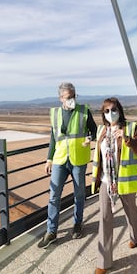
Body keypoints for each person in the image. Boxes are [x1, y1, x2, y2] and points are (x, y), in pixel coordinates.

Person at [38, 82, 97, 249]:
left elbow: (94, 130)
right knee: (54, 195)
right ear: (60, 98)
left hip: (78, 159)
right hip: (60, 159)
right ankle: (51, 232)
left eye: (73, 96)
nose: (71, 99)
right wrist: (49, 158)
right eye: (68, 97)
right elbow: (53, 137)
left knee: (79, 194)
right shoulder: (55, 113)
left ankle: (77, 224)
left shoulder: (84, 111)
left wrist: (90, 138)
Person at [92, 97, 137, 274]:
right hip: (107, 182)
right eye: (106, 111)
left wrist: (127, 139)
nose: (110, 113)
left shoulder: (131, 127)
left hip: (126, 181)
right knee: (105, 219)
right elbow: (99, 156)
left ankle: (135, 237)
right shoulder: (101, 130)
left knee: (131, 212)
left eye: (113, 109)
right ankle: (103, 262)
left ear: (120, 110)